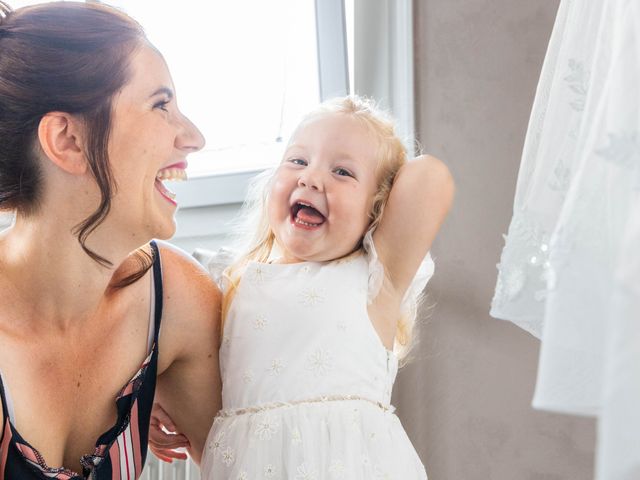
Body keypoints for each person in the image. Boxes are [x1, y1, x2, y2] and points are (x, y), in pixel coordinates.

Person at [152, 95, 455, 478]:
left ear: (377, 208)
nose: (311, 177)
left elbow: (431, 177)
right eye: (297, 160)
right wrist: (146, 402)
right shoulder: (231, 281)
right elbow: (186, 371)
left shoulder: (376, 279)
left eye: (342, 172)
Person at [0, 2, 221, 478]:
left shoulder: (176, 298)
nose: (194, 137)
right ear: (68, 140)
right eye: (161, 105)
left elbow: (246, 464)